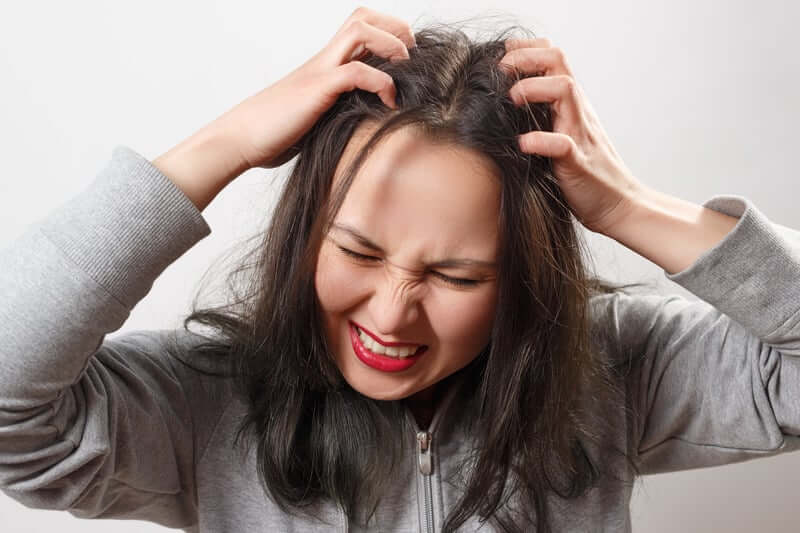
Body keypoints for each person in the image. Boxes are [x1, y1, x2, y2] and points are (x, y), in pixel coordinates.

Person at [1, 6, 798, 533]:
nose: (390, 313)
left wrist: (629, 206)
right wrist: (225, 144)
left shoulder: (614, 368)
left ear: (523, 278)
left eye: (457, 277)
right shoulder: (203, 401)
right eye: (357, 251)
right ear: (307, 233)